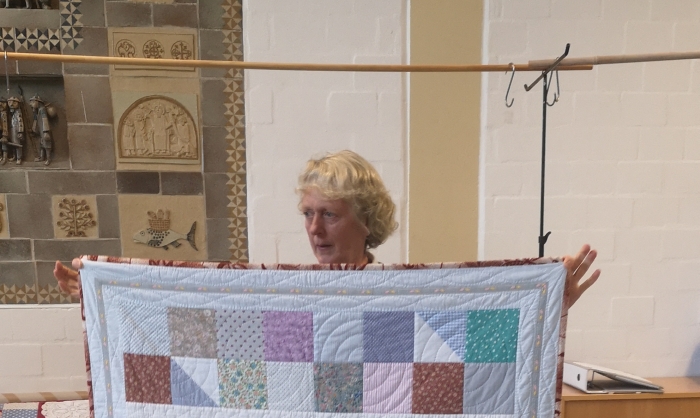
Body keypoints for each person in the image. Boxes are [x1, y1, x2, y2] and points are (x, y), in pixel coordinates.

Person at [53, 148, 600, 302]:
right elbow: (195, 322)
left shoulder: (404, 296)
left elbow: (482, 342)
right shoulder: (283, 295)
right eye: (308, 214)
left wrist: (547, 306)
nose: (314, 229)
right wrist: (106, 300)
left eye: (330, 215)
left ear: (366, 221)